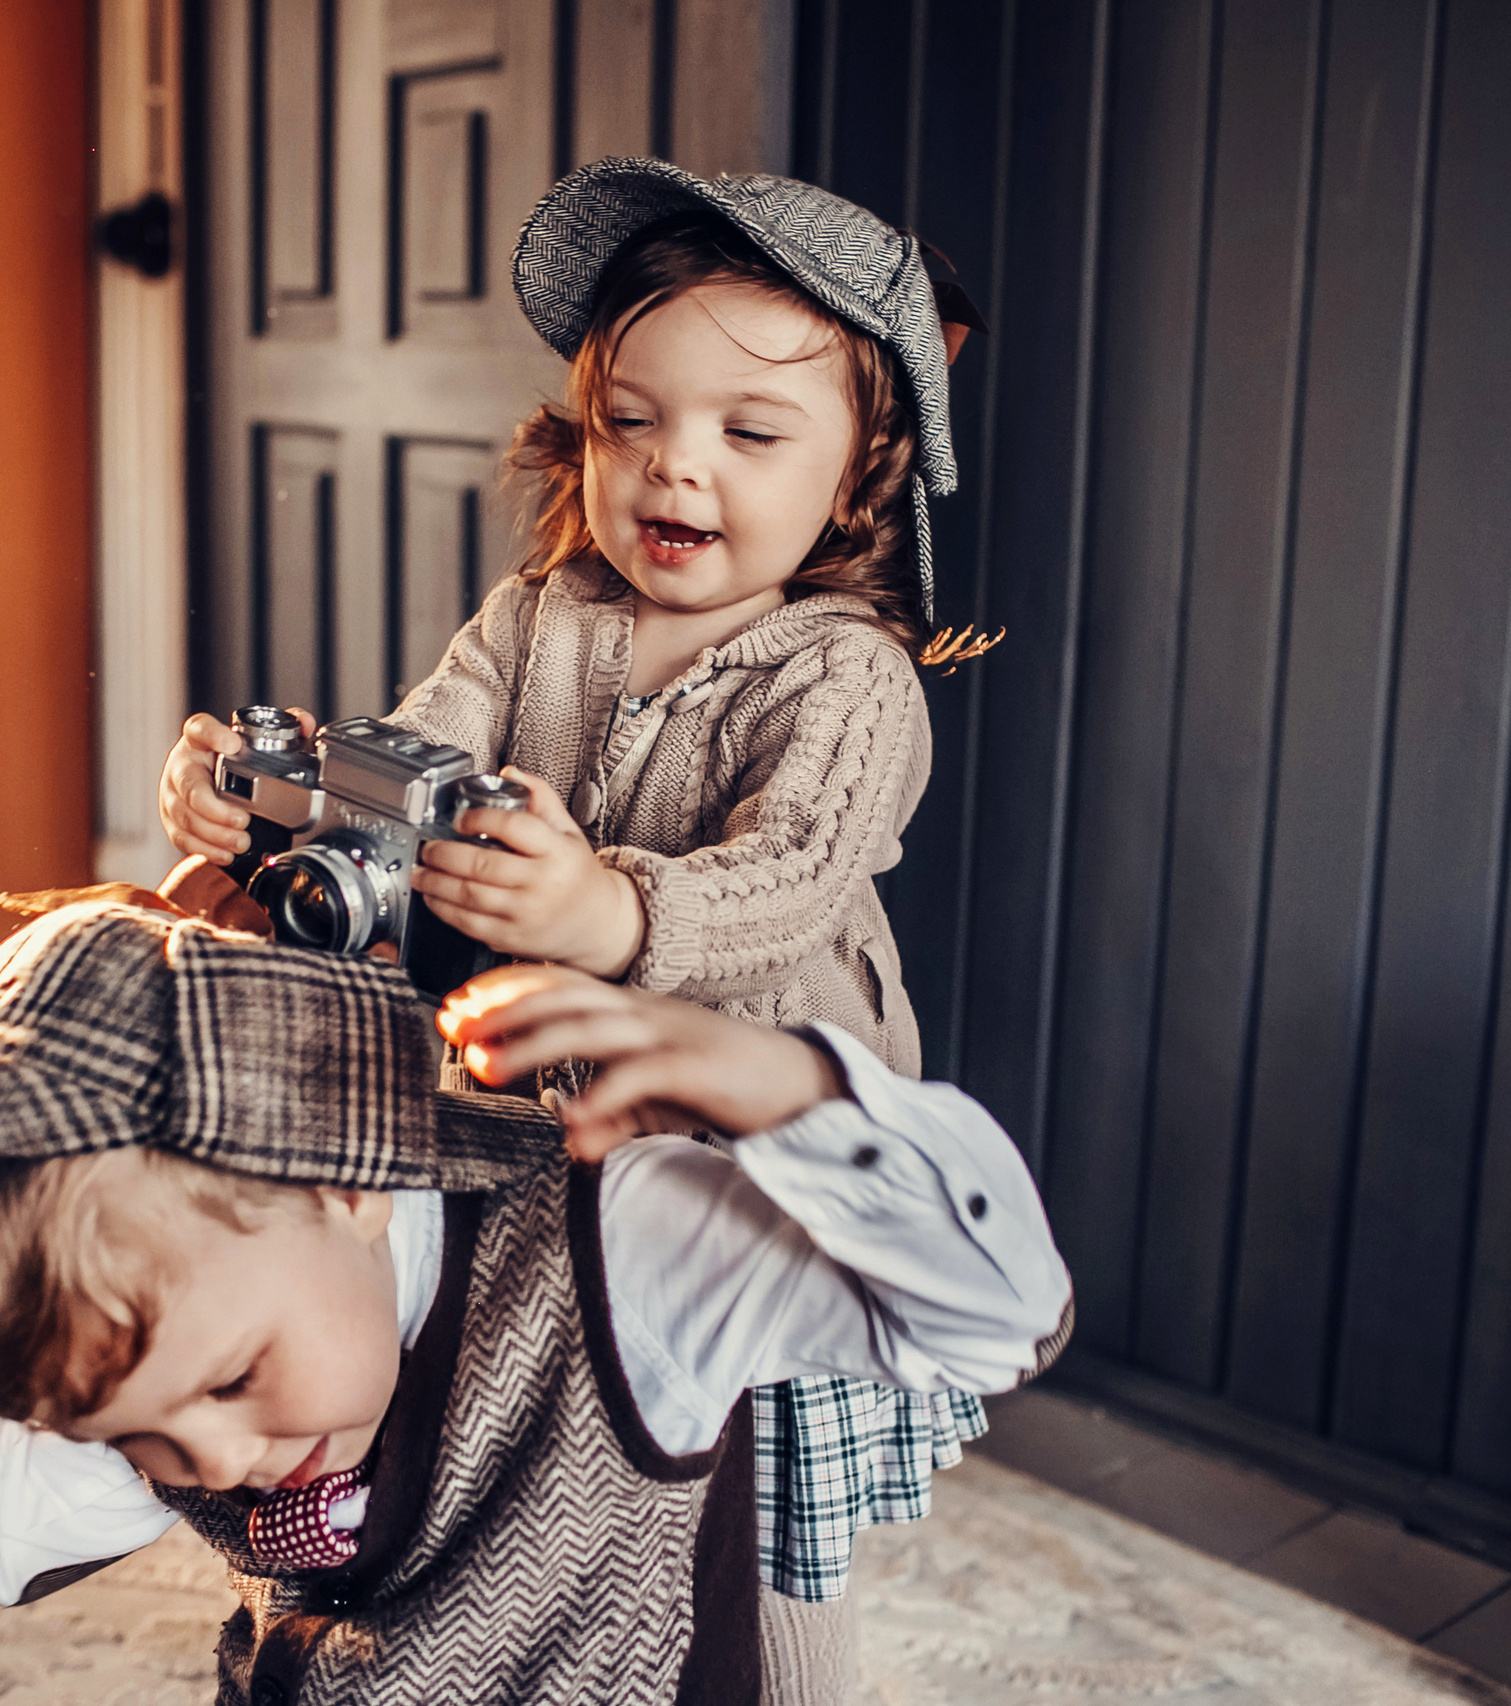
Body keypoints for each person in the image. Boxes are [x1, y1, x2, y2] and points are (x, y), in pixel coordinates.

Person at [157, 158, 999, 1700]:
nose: (678, 467)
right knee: (544, 1460)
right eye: (632, 420)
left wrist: (607, 906)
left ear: (857, 479)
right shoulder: (538, 617)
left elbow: (788, 880)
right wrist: (266, 798)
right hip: (545, 1149)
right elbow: (407, 763)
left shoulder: (848, 678)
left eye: (750, 434)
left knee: (761, 1536)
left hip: (746, 1187)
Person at [0, 899, 1073, 1706]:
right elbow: (7, 1530)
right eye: (136, 1439)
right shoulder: (178, 1370)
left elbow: (998, 1315)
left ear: (344, 1179)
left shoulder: (614, 1253)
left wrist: (796, 1094)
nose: (211, 1464)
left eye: (230, 1382)